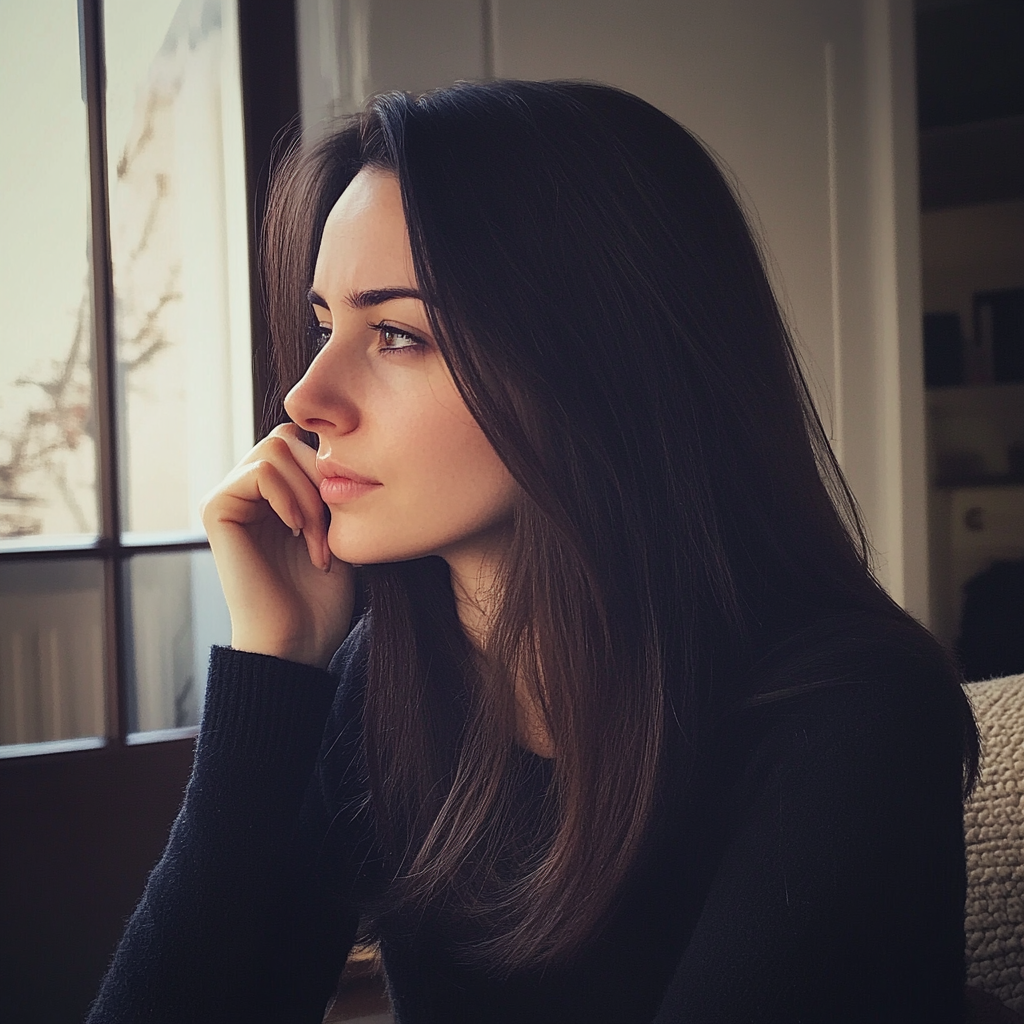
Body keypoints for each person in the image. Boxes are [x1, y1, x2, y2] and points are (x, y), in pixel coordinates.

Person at [87, 80, 978, 1024]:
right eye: (322, 327)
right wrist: (274, 671)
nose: (305, 399)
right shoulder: (387, 678)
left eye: (396, 334)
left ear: (600, 360)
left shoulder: (849, 719)